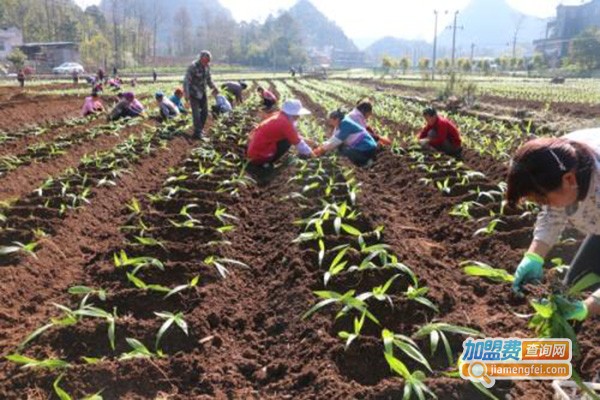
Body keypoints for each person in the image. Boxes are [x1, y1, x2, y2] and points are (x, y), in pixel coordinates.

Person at [507, 129, 600, 321]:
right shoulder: (562, 158)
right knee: (572, 288)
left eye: (543, 199)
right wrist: (533, 256)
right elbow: (553, 213)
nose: (544, 206)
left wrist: (588, 306)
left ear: (569, 179)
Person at [247, 99, 315, 167]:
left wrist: (306, 140)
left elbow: (292, 134)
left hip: (254, 147)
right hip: (259, 155)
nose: (299, 116)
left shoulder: (279, 115)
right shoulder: (285, 123)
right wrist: (311, 153)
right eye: (297, 114)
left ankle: (266, 160)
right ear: (292, 114)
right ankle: (267, 163)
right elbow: (298, 142)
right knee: (287, 142)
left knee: (286, 139)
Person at [313, 109, 377, 167]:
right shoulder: (341, 123)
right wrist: (322, 146)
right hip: (360, 146)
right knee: (340, 148)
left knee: (344, 152)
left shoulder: (345, 124)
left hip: (367, 147)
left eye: (331, 120)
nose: (330, 123)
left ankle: (366, 162)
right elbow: (334, 137)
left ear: (337, 119)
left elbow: (336, 141)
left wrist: (321, 149)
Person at [184, 50, 218, 139]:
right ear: (201, 59)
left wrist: (214, 87)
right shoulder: (193, 67)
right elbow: (186, 81)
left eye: (208, 61)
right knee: (196, 114)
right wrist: (186, 93)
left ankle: (200, 130)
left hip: (203, 92)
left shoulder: (207, 67)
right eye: (206, 61)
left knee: (205, 112)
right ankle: (197, 132)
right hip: (194, 93)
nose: (207, 63)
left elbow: (209, 79)